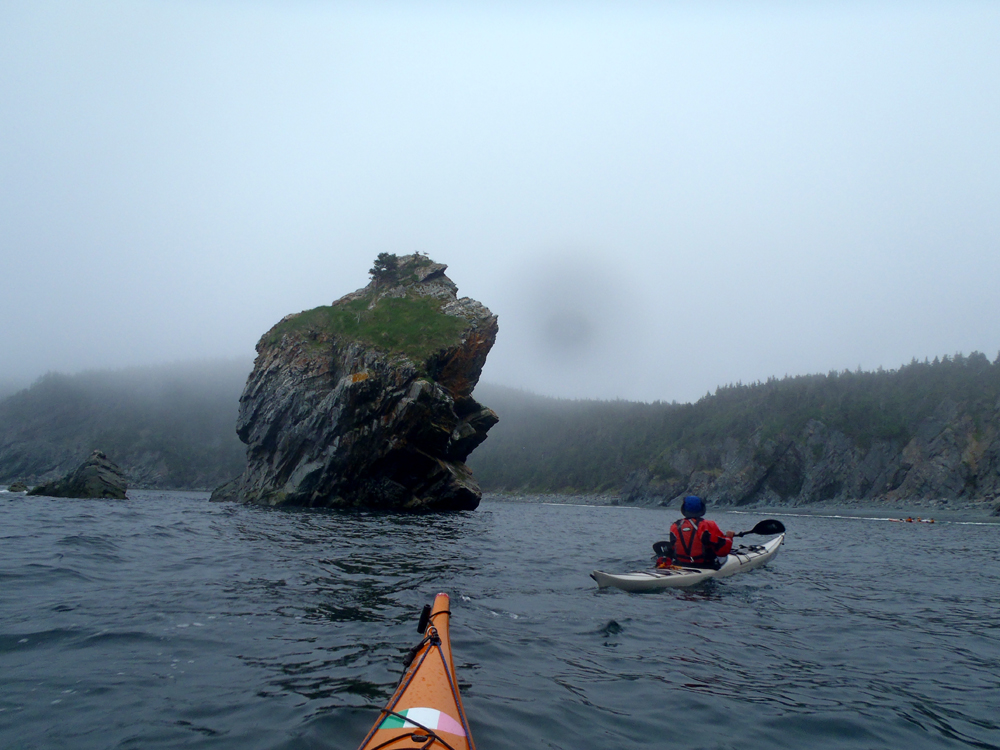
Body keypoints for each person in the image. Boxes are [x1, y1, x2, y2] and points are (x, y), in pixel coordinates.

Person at [653, 496, 735, 569]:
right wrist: (729, 537)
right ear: (702, 509)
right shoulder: (708, 525)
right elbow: (723, 551)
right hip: (704, 566)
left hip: (681, 564)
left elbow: (674, 546)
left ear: (683, 509)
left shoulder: (675, 526)